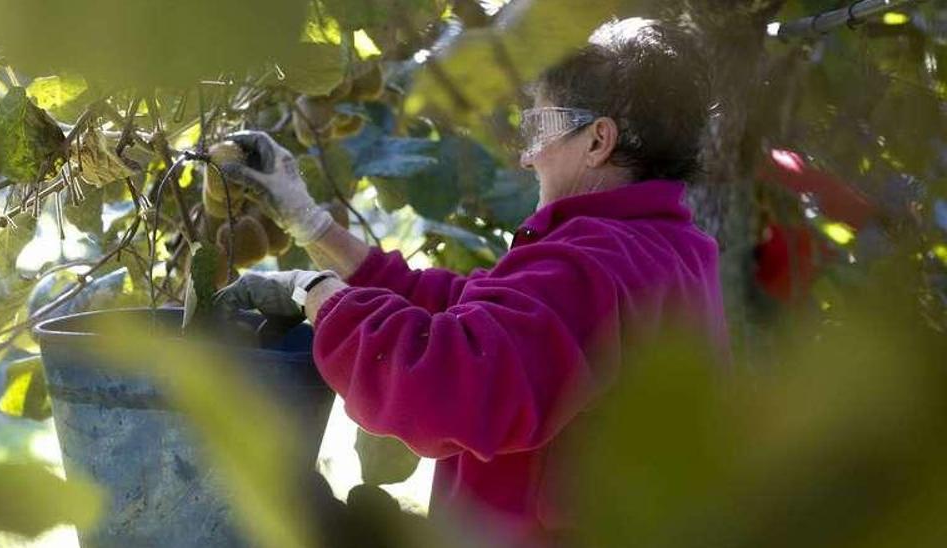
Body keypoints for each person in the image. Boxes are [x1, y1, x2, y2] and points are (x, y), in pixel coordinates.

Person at [215, 18, 728, 544]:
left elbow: (442, 384)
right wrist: (311, 223)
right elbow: (475, 314)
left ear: (598, 140)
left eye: (541, 130)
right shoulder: (670, 249)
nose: (529, 155)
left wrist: (319, 295)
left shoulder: (591, 264)